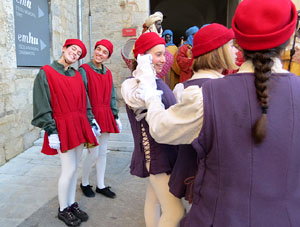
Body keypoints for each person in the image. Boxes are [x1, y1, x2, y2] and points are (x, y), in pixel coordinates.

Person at [137, 0, 300, 226]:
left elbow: (159, 129)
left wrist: (150, 91)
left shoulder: (205, 95)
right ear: (290, 38)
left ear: (239, 42)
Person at [31, 39, 99, 227]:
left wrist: (91, 120)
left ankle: (71, 204)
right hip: (62, 126)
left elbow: (85, 101)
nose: (75, 53)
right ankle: (63, 209)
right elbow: (42, 103)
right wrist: (50, 130)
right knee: (68, 169)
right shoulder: (46, 72)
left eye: (79, 53)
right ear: (64, 49)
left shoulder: (77, 75)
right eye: (73, 49)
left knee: (74, 168)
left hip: (78, 124)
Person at [168, 23, 237, 205]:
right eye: (231, 45)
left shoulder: (225, 85)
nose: (236, 50)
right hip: (205, 165)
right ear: (218, 52)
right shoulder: (192, 89)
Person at [121, 32, 184, 227]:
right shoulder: (132, 85)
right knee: (176, 211)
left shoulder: (156, 81)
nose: (163, 59)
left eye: (163, 54)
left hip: (166, 150)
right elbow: (142, 99)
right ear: (143, 57)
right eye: (157, 54)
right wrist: (144, 68)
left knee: (154, 200)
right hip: (156, 154)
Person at [78, 39, 121, 199]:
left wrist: (115, 115)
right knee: (92, 153)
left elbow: (112, 95)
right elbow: (83, 96)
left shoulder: (108, 72)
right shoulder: (84, 70)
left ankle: (101, 185)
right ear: (94, 49)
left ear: (108, 56)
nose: (100, 53)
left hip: (105, 114)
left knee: (103, 152)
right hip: (91, 116)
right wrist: (90, 119)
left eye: (104, 52)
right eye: (98, 49)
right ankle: (84, 182)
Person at [142, 11, 174, 82]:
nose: (160, 27)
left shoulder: (159, 38)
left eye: (160, 24)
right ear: (153, 25)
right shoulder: (145, 37)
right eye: (158, 24)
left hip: (160, 73)